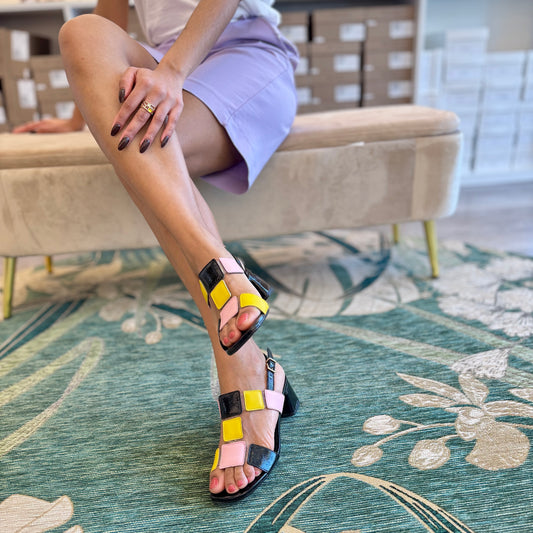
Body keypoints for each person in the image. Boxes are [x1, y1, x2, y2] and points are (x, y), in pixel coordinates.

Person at [14, 0, 300, 501]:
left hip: (239, 51)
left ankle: (242, 361)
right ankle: (224, 284)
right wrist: (81, 114)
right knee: (81, 32)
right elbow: (110, 14)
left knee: (144, 150)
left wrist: (172, 73)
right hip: (156, 60)